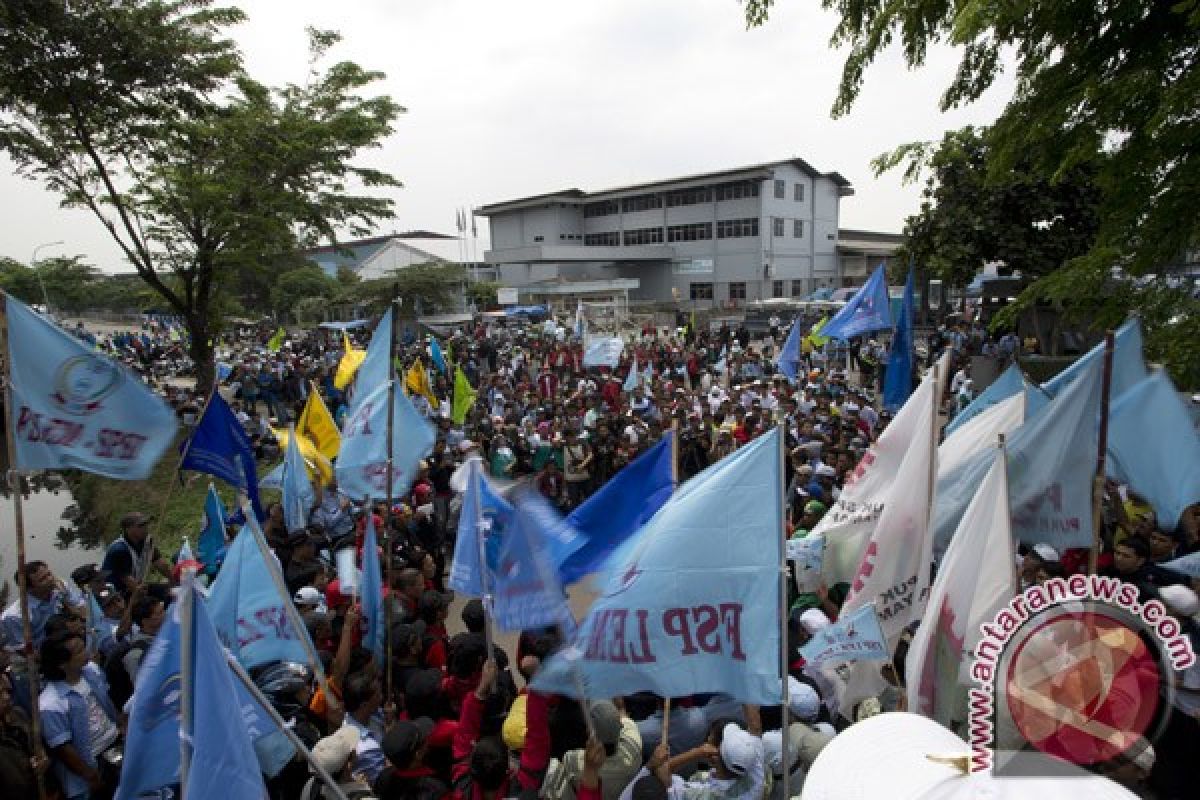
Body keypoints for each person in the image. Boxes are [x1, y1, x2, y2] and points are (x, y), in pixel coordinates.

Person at [39, 633, 121, 800]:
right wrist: (90, 775)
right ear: (62, 664)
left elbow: (107, 700)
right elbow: (63, 748)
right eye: (79, 651)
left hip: (115, 742)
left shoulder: (91, 671)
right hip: (96, 762)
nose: (86, 652)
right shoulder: (51, 703)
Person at [1, 561, 86, 652]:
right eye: (43, 579)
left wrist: (65, 596)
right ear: (29, 589)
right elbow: (24, 650)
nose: (50, 579)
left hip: (68, 639)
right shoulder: (15, 616)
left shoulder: (59, 587)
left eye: (49, 574)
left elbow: (84, 612)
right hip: (42, 653)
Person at [100, 512, 170, 596]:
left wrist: (174, 581)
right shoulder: (119, 550)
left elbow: (161, 564)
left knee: (170, 591)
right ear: (128, 529)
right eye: (141, 525)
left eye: (146, 524)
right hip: (118, 594)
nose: (145, 528)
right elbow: (128, 581)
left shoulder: (146, 541)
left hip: (136, 586)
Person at [302, 723, 377, 799]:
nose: (355, 751)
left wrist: (356, 784)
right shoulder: (365, 797)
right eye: (352, 751)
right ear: (348, 764)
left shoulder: (311, 785)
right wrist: (365, 788)